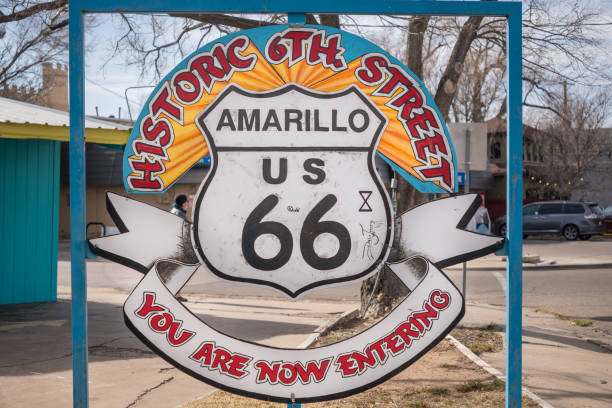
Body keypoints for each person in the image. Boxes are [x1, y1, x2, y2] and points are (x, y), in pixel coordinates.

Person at [170, 194, 189, 302]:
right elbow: (183, 231)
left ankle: (176, 293)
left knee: (175, 271)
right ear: (183, 203)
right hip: (177, 247)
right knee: (178, 271)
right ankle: (176, 294)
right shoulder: (179, 214)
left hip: (173, 246)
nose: (188, 205)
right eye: (187, 203)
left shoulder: (173, 211)